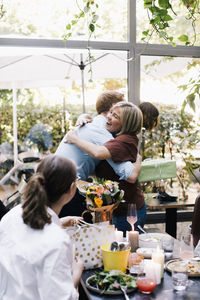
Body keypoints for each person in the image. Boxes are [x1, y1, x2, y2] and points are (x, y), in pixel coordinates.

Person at [0, 155, 83, 300]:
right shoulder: (57, 241)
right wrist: (76, 272)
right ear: (72, 189)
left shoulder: (11, 216)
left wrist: (59, 222)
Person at [55, 91, 142, 218]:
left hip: (57, 184)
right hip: (67, 189)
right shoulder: (102, 132)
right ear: (113, 106)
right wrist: (139, 159)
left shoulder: (91, 124)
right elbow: (130, 174)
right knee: (80, 232)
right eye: (114, 112)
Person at [66, 102, 145, 234]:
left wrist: (74, 139)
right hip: (117, 208)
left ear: (126, 123)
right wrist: (84, 116)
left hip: (128, 212)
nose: (108, 117)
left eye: (115, 116)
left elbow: (98, 153)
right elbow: (98, 120)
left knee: (126, 251)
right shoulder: (115, 135)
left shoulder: (124, 141)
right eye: (110, 112)